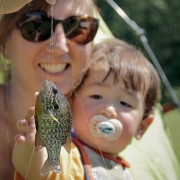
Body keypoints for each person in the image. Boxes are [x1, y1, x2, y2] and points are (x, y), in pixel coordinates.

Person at [13, 39, 161, 179]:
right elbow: (34, 170)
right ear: (71, 106)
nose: (109, 110)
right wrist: (30, 147)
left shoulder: (123, 171)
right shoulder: (69, 158)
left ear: (142, 126)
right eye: (96, 96)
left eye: (125, 104)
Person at [0, 0, 99, 179]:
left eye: (78, 27)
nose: (60, 46)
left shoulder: (103, 120)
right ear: (3, 43)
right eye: (37, 26)